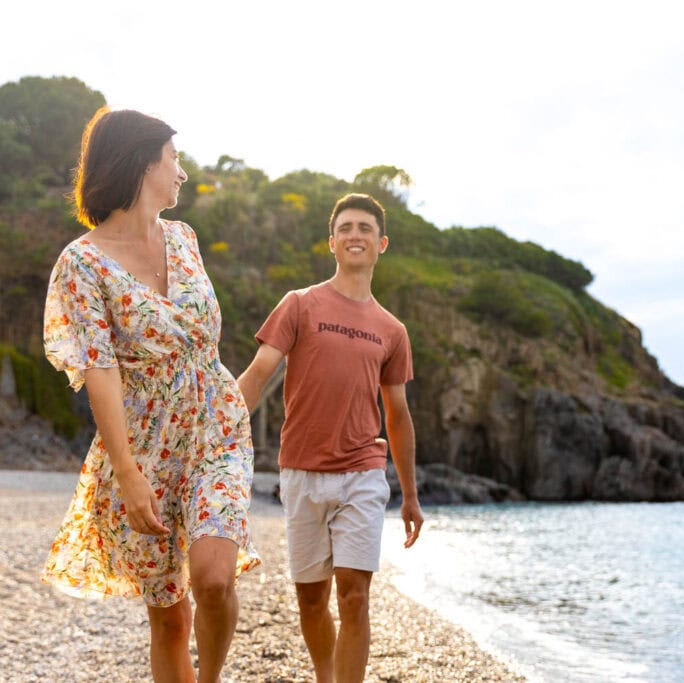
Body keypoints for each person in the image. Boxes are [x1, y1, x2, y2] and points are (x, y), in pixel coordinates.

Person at [42, 107, 260, 683]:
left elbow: (201, 342)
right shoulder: (82, 264)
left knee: (214, 577)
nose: (182, 173)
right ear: (143, 162)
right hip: (144, 449)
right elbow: (99, 369)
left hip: (217, 430)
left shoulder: (185, 240)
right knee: (169, 619)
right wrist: (128, 472)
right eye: (175, 159)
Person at [237, 192, 424, 683]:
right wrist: (214, 427)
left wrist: (410, 495)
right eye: (346, 228)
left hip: (363, 472)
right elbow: (258, 373)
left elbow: (398, 415)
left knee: (355, 596)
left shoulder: (393, 330)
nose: (355, 235)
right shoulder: (299, 304)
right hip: (300, 473)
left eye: (365, 228)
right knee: (312, 600)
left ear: (381, 243)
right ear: (332, 242)